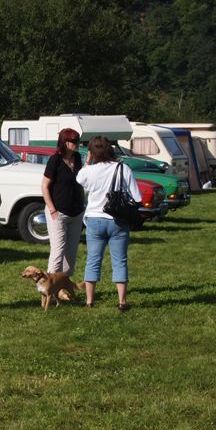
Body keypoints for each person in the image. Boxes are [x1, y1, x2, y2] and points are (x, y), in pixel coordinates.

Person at [76, 135, 142, 312]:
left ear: (91, 152)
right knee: (120, 261)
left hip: (94, 219)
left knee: (93, 260)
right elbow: (137, 197)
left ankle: (89, 301)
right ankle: (122, 302)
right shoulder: (123, 168)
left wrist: (87, 161)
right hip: (117, 220)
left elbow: (79, 178)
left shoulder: (89, 171)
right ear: (111, 150)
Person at [41, 128, 85, 275]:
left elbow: (81, 179)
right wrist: (52, 209)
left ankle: (64, 285)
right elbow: (44, 186)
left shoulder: (77, 158)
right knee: (58, 252)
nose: (77, 143)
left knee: (71, 255)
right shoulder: (55, 160)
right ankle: (50, 285)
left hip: (76, 213)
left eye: (78, 140)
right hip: (58, 212)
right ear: (65, 142)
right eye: (74, 141)